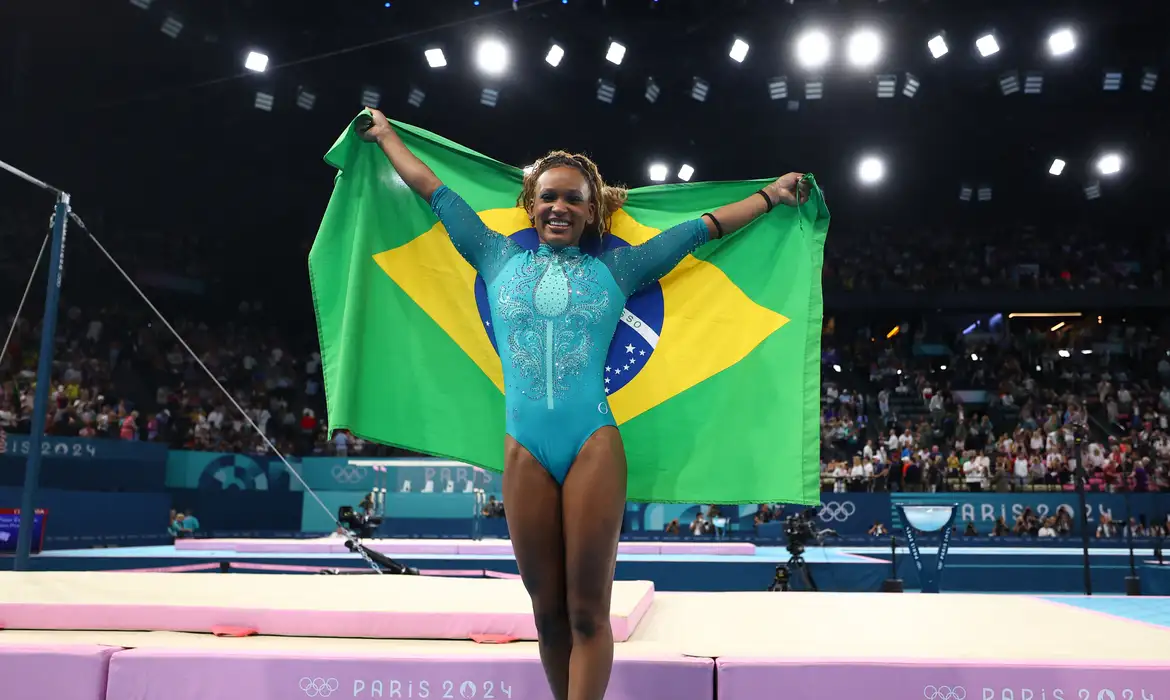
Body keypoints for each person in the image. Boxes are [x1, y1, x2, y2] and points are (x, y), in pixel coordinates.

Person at [358, 107, 809, 700]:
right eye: (548, 197)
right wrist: (387, 136)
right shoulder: (493, 256)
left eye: (573, 199)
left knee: (587, 611)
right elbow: (431, 189)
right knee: (546, 612)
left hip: (593, 445)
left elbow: (702, 228)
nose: (559, 208)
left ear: (591, 209)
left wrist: (771, 197)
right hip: (523, 451)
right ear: (530, 203)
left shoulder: (620, 267)